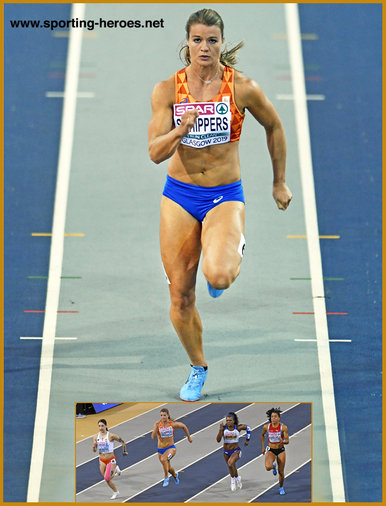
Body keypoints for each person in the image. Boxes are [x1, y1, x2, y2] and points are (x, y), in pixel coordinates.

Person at [148, 8, 292, 402]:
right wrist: (181, 129)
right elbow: (154, 153)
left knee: (220, 277)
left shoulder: (242, 88)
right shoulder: (168, 90)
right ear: (187, 43)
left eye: (212, 40)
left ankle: (226, 254)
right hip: (179, 196)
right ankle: (198, 367)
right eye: (197, 40)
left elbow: (274, 125)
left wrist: (278, 182)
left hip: (225, 196)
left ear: (221, 43)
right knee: (180, 295)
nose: (205, 47)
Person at [151, 407, 193, 487]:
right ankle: (174, 475)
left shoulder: (172, 424)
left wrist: (189, 437)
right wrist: (155, 429)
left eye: (164, 415)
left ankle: (166, 477)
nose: (163, 417)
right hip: (160, 450)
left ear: (168, 415)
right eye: (161, 415)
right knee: (168, 467)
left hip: (171, 448)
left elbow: (183, 426)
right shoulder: (157, 425)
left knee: (164, 459)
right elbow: (153, 438)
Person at [92, 419, 128, 500]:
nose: (101, 428)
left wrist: (124, 451)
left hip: (110, 459)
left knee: (107, 478)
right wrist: (94, 447)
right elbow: (94, 451)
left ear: (106, 426)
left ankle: (116, 492)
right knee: (105, 477)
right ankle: (116, 469)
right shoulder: (95, 437)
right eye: (99, 426)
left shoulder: (111, 436)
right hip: (102, 460)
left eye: (102, 426)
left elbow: (123, 442)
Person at [216, 411, 251, 491]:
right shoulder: (224, 428)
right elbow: (218, 440)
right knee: (231, 466)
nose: (228, 422)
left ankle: (232, 481)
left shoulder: (238, 428)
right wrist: (220, 430)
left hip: (236, 451)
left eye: (230, 420)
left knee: (230, 463)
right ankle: (237, 478)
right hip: (226, 452)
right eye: (227, 420)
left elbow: (248, 428)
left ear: (234, 421)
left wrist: (247, 439)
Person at [260, 407, 289, 495]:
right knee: (267, 467)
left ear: (279, 418)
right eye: (272, 417)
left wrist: (283, 441)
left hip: (281, 450)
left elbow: (287, 441)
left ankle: (281, 487)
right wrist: (262, 447)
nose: (273, 418)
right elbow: (262, 436)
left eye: (275, 417)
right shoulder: (266, 427)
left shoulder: (283, 427)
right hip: (271, 450)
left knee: (281, 471)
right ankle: (273, 467)